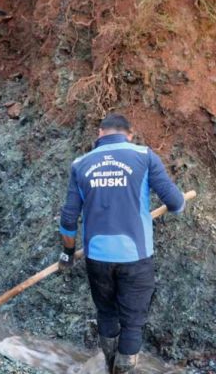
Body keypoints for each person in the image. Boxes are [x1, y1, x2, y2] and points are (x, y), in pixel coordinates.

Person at [57, 114, 186, 374]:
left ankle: (108, 365)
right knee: (132, 323)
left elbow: (69, 218)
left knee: (106, 313)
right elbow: (175, 203)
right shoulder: (144, 156)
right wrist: (180, 203)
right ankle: (122, 370)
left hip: (97, 257)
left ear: (100, 132)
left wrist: (68, 253)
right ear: (130, 134)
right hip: (135, 256)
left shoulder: (80, 164)